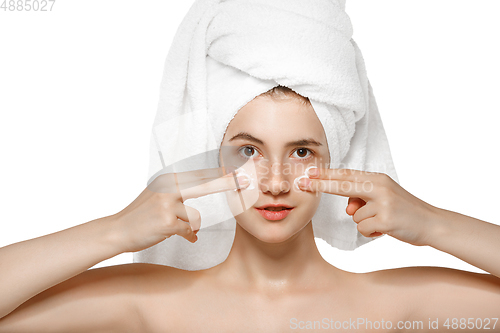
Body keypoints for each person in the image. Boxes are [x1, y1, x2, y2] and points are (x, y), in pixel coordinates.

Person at [0, 85, 499, 332]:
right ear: (211, 159)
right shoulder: (151, 304)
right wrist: (116, 231)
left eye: (302, 151)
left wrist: (434, 223)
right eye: (248, 151)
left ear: (338, 162)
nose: (277, 182)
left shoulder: (391, 307)